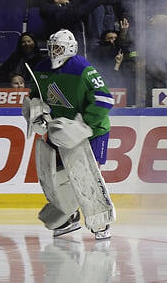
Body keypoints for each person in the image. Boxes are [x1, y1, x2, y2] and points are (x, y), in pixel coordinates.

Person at [21, 29, 115, 240]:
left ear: (70, 49)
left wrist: (85, 125)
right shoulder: (41, 68)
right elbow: (35, 97)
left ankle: (100, 221)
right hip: (60, 131)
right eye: (52, 48)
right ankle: (68, 218)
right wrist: (36, 113)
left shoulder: (83, 69)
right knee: (56, 178)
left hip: (92, 132)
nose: (53, 52)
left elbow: (105, 99)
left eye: (58, 48)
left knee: (84, 175)